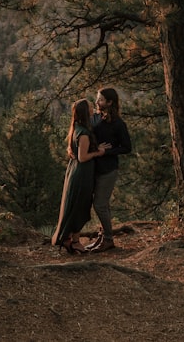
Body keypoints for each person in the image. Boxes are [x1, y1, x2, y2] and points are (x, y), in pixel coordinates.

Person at [52, 99, 110, 254]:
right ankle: (74, 241)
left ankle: (70, 239)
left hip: (77, 171)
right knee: (81, 207)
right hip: (82, 174)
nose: (93, 110)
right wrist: (99, 151)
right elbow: (83, 157)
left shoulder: (76, 127)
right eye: (91, 108)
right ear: (86, 112)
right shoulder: (83, 133)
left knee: (78, 206)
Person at [85, 87, 132, 252]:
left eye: (101, 100)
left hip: (108, 169)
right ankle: (103, 236)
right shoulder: (96, 118)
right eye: (98, 99)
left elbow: (127, 147)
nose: (97, 102)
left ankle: (108, 239)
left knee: (99, 205)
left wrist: (107, 151)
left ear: (110, 102)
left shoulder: (118, 123)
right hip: (94, 168)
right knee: (102, 204)